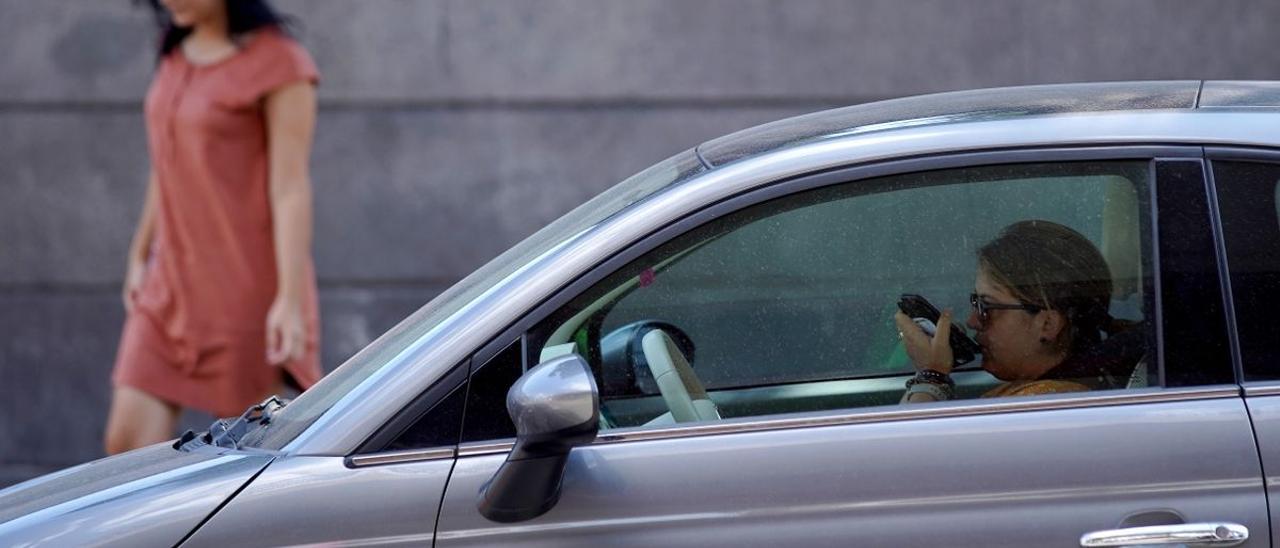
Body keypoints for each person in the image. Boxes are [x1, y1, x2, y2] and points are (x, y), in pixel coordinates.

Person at [104, 0, 322, 454]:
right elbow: (166, 164)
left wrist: (288, 299)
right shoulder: (175, 52)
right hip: (170, 286)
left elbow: (290, 189)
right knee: (126, 445)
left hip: (243, 288)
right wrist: (140, 252)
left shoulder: (280, 64)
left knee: (251, 461)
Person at [895, 220, 1132, 403]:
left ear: (1047, 324)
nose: (972, 321)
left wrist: (931, 376)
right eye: (975, 302)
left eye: (986, 306)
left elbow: (908, 459)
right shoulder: (1069, 387)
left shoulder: (1046, 404)